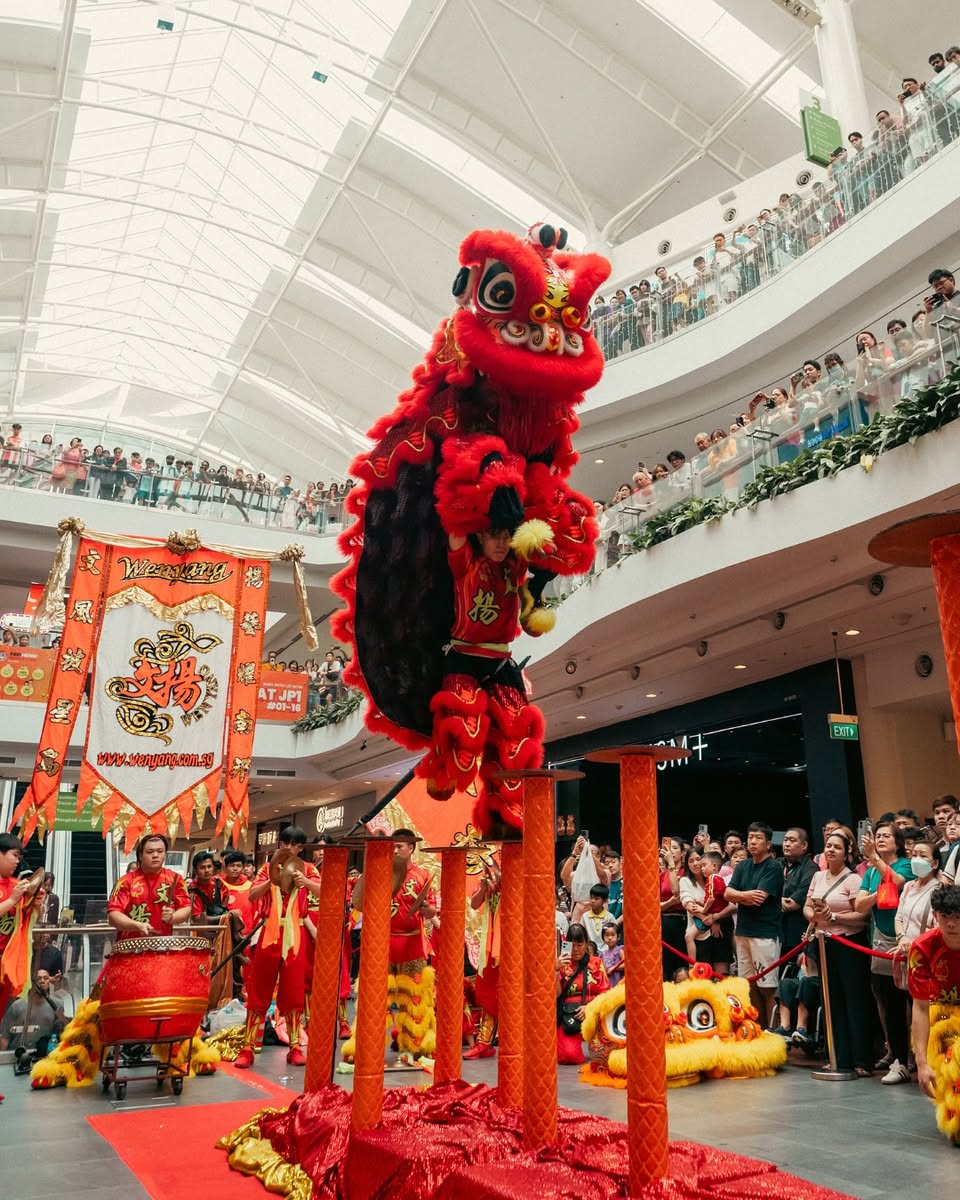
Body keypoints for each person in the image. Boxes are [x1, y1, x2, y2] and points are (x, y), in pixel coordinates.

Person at [349, 829, 437, 1064]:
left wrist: (426, 909)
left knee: (415, 1001)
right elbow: (360, 901)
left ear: (411, 847)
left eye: (399, 846)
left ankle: (415, 1047)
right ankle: (367, 1048)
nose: (395, 850)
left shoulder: (422, 876)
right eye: (393, 847)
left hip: (412, 942)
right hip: (381, 943)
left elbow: (431, 911)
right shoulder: (381, 872)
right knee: (374, 998)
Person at [236, 826, 321, 1069]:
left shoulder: (309, 869)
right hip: (269, 932)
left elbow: (325, 891)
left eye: (293, 845)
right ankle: (249, 1046)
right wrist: (271, 882)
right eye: (285, 843)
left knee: (294, 989)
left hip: (296, 933)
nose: (288, 848)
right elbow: (252, 896)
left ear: (300, 849)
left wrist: (303, 881)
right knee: (259, 988)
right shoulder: (266, 868)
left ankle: (294, 1045)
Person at [800, 830, 871, 1074]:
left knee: (854, 999)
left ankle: (862, 1059)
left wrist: (834, 916)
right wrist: (815, 916)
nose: (830, 850)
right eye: (828, 846)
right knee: (831, 1001)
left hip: (848, 943)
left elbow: (862, 917)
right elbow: (807, 907)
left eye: (837, 847)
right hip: (823, 942)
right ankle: (838, 1056)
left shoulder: (853, 880)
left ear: (846, 852)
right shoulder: (818, 877)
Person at [855, 821, 914, 1081]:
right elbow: (859, 905)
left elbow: (898, 881)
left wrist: (875, 860)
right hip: (880, 942)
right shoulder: (870, 871)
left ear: (898, 842)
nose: (879, 839)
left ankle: (919, 1055)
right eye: (877, 836)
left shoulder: (906, 864)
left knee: (916, 1002)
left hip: (908, 940)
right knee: (891, 1006)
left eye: (886, 836)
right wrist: (880, 890)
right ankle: (899, 1059)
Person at [909, 884, 960, 1142]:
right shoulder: (922, 948)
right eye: (944, 916)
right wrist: (922, 1063)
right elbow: (919, 1007)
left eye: (958, 917)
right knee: (953, 1065)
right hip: (940, 1014)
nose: (950, 924)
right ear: (935, 915)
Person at [725, 822, 783, 1024]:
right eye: (750, 837)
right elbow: (727, 893)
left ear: (768, 844)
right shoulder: (742, 866)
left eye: (758, 838)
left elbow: (760, 898)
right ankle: (757, 1028)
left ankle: (773, 1031)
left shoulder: (774, 867)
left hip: (765, 933)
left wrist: (739, 896)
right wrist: (745, 895)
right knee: (749, 985)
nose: (753, 841)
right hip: (743, 931)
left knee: (768, 986)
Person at [107, 834, 191, 940]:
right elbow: (113, 916)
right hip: (130, 946)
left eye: (160, 851)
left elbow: (186, 908)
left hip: (163, 945)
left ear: (165, 854)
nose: (155, 855)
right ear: (140, 855)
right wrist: (136, 925)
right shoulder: (126, 881)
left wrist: (172, 918)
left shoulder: (175, 879)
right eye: (150, 852)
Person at [556, 922, 608, 1065]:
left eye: (580, 944)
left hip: (595, 1012)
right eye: (572, 945)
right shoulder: (562, 964)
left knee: (604, 1056)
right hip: (569, 1016)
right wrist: (555, 970)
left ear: (586, 944)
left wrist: (589, 1008)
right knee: (569, 1056)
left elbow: (606, 993)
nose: (576, 950)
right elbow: (555, 995)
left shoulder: (596, 963)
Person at [464, 857, 500, 1059]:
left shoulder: (518, 871)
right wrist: (485, 885)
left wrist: (498, 874)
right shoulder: (488, 877)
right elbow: (474, 903)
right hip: (492, 940)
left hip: (513, 939)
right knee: (488, 989)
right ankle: (484, 1042)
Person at [0, 967, 64, 1054]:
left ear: (49, 981)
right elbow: (5, 1038)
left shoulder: (57, 1005)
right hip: (16, 1057)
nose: (42, 981)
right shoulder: (16, 1006)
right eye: (38, 978)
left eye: (45, 978)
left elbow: (60, 1036)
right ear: (32, 982)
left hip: (43, 1057)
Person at [0, 833, 27, 1018]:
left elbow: (31, 918)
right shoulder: (14, 893)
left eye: (19, 857)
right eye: (14, 855)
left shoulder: (16, 885)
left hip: (7, 961)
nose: (17, 861)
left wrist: (37, 903)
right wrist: (11, 900)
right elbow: (11, 902)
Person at [658, 836, 686, 981]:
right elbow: (654, 904)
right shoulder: (662, 875)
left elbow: (678, 893)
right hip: (664, 922)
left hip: (682, 921)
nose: (671, 851)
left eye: (675, 848)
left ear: (682, 853)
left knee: (681, 964)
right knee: (666, 963)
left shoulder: (686, 872)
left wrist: (670, 863)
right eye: (669, 847)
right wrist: (669, 903)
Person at [580, 883, 611, 949]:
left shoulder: (609, 917)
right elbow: (581, 935)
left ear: (604, 900)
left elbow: (613, 936)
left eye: (596, 899)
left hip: (607, 951)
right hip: (589, 951)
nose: (592, 901)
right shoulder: (585, 917)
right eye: (591, 898)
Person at [598, 921, 623, 986]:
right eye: (607, 935)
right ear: (603, 938)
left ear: (618, 936)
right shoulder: (602, 954)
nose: (610, 938)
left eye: (613, 935)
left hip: (618, 981)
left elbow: (626, 964)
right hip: (607, 982)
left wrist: (614, 968)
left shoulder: (619, 950)